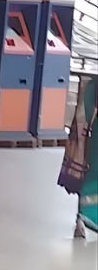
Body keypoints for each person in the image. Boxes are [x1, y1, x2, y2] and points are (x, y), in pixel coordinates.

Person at [59, 77, 97, 238]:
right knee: (90, 178)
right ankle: (83, 218)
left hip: (88, 143)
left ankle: (81, 219)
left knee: (87, 176)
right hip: (92, 141)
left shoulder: (90, 87)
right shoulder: (91, 88)